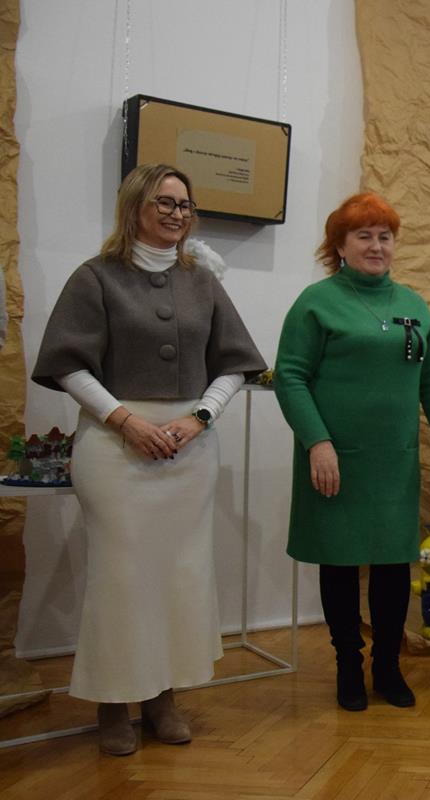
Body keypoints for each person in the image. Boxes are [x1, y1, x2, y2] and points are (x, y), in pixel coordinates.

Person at [31, 164, 266, 755]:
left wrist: (200, 418)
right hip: (115, 449)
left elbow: (237, 364)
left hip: (190, 451)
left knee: (180, 576)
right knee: (121, 579)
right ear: (134, 205)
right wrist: (125, 421)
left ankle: (162, 698)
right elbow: (68, 364)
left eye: (184, 205)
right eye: (164, 202)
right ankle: (113, 704)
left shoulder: (202, 282)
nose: (176, 214)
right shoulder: (95, 277)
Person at [274, 192, 430, 712]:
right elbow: (290, 377)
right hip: (333, 459)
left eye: (385, 236)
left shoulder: (413, 305)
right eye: (364, 236)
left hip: (393, 462)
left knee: (392, 565)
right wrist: (318, 442)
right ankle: (348, 666)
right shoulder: (316, 302)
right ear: (340, 245)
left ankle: (387, 666)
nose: (377, 246)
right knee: (339, 562)